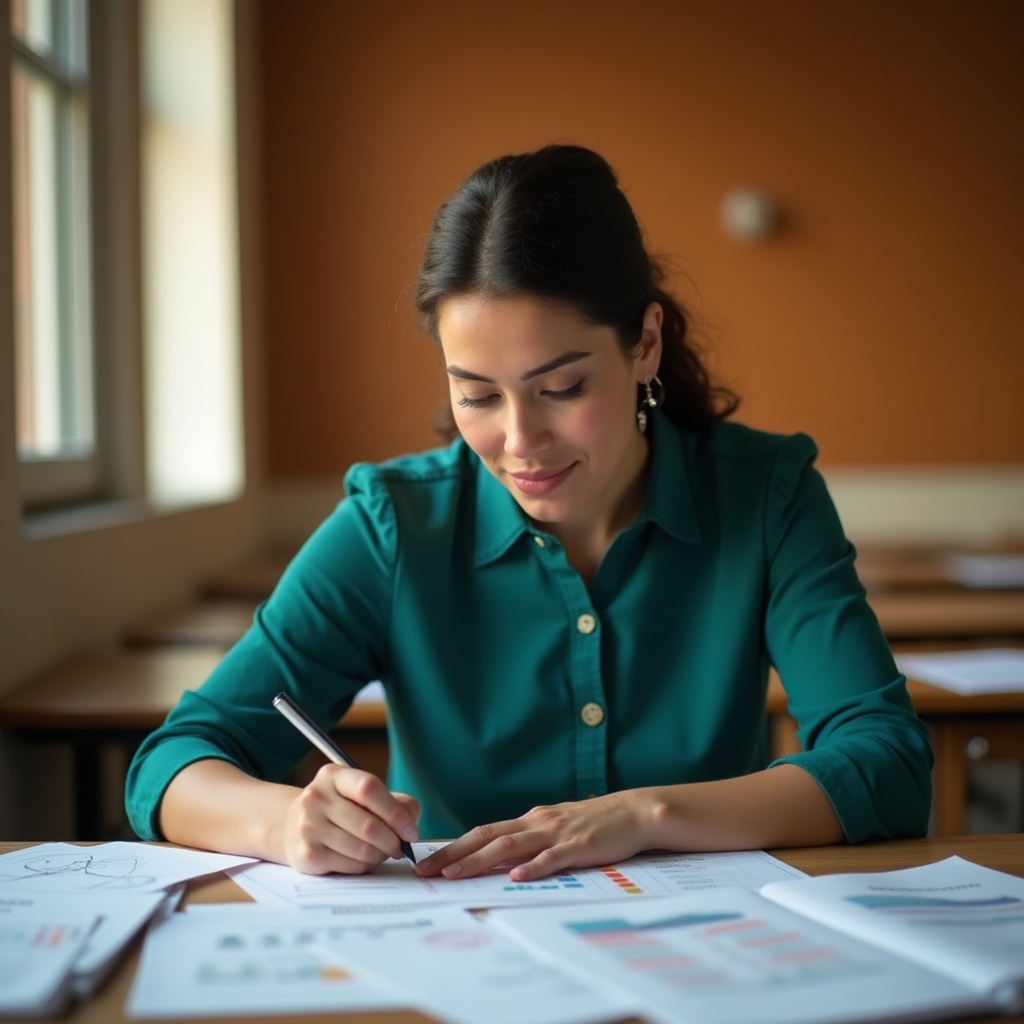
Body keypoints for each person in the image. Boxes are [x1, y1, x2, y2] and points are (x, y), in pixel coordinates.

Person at [126, 144, 932, 883]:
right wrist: (284, 820)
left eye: (562, 389)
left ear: (645, 343)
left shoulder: (765, 496)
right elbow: (172, 763)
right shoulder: (394, 524)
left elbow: (888, 763)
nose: (520, 442)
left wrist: (644, 816)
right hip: (460, 955)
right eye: (476, 394)